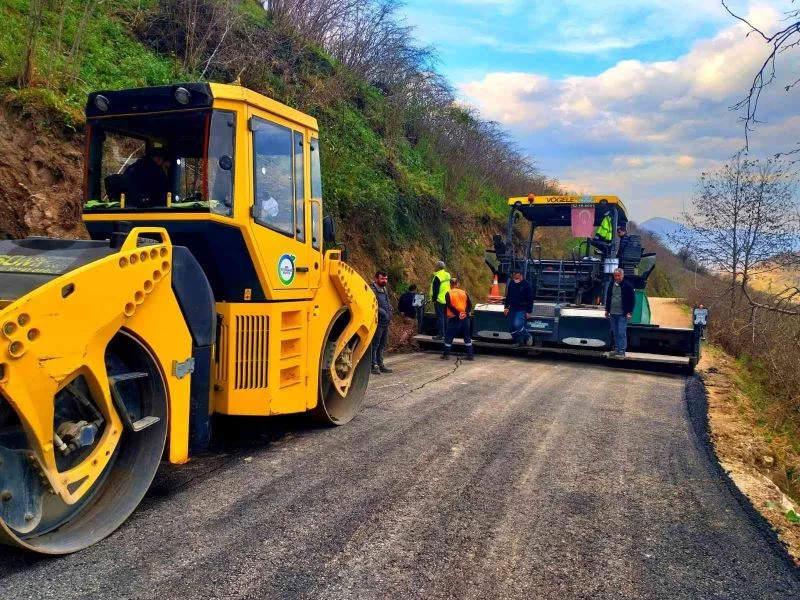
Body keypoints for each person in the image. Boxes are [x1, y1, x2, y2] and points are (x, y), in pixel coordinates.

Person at [604, 268, 635, 358]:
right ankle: (617, 349)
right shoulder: (611, 284)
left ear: (622, 275)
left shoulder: (627, 286)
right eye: (615, 275)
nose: (617, 277)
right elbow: (609, 297)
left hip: (622, 314)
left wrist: (629, 312)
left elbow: (632, 300)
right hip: (613, 313)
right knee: (615, 332)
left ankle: (622, 351)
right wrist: (607, 310)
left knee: (621, 333)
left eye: (618, 275)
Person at [441, 277, 474, 361]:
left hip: (454, 318)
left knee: (449, 336)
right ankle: (470, 355)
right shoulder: (464, 292)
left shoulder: (448, 293)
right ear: (457, 284)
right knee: (467, 337)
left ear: (450, 284)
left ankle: (446, 355)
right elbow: (470, 305)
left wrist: (458, 313)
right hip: (465, 318)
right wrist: (464, 313)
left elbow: (449, 306)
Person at [370, 270, 393, 374]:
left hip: (385, 322)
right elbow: (372, 303)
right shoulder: (372, 289)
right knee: (375, 343)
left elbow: (386, 301)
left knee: (382, 344)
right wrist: (383, 312)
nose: (385, 280)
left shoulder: (384, 289)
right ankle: (373, 365)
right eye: (382, 278)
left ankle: (380, 364)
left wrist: (389, 308)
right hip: (377, 321)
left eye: (386, 279)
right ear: (376, 278)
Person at [503, 268, 534, 346]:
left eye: (516, 278)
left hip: (522, 308)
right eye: (514, 278)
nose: (515, 279)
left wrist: (529, 312)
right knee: (511, 327)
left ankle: (527, 336)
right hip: (512, 308)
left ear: (521, 276)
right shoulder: (512, 283)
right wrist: (506, 307)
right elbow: (508, 296)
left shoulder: (527, 285)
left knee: (518, 324)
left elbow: (530, 299)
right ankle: (519, 341)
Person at [429, 260, 451, 340]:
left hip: (439, 300)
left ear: (438, 267)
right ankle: (446, 334)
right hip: (447, 300)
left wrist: (434, 299)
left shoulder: (437, 276)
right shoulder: (448, 275)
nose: (434, 267)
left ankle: (441, 335)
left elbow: (435, 290)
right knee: (445, 317)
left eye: (435, 266)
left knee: (440, 318)